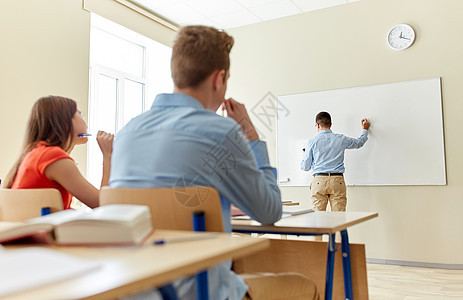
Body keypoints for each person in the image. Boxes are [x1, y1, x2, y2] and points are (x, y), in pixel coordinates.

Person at [111, 26, 319, 300]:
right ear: (219, 78)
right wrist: (251, 134)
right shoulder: (221, 133)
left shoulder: (127, 132)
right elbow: (269, 212)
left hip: (137, 289)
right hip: (202, 293)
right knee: (308, 286)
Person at [3, 96, 114, 209]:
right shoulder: (53, 156)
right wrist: (108, 156)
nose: (86, 123)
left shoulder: (37, 153)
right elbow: (102, 205)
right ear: (65, 121)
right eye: (80, 114)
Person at [301, 111, 370, 213]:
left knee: (317, 218)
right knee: (339, 218)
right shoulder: (341, 139)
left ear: (317, 125)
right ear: (331, 124)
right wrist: (365, 129)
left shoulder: (312, 142)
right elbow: (359, 143)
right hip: (337, 180)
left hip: (319, 180)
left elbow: (305, 167)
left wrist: (306, 154)